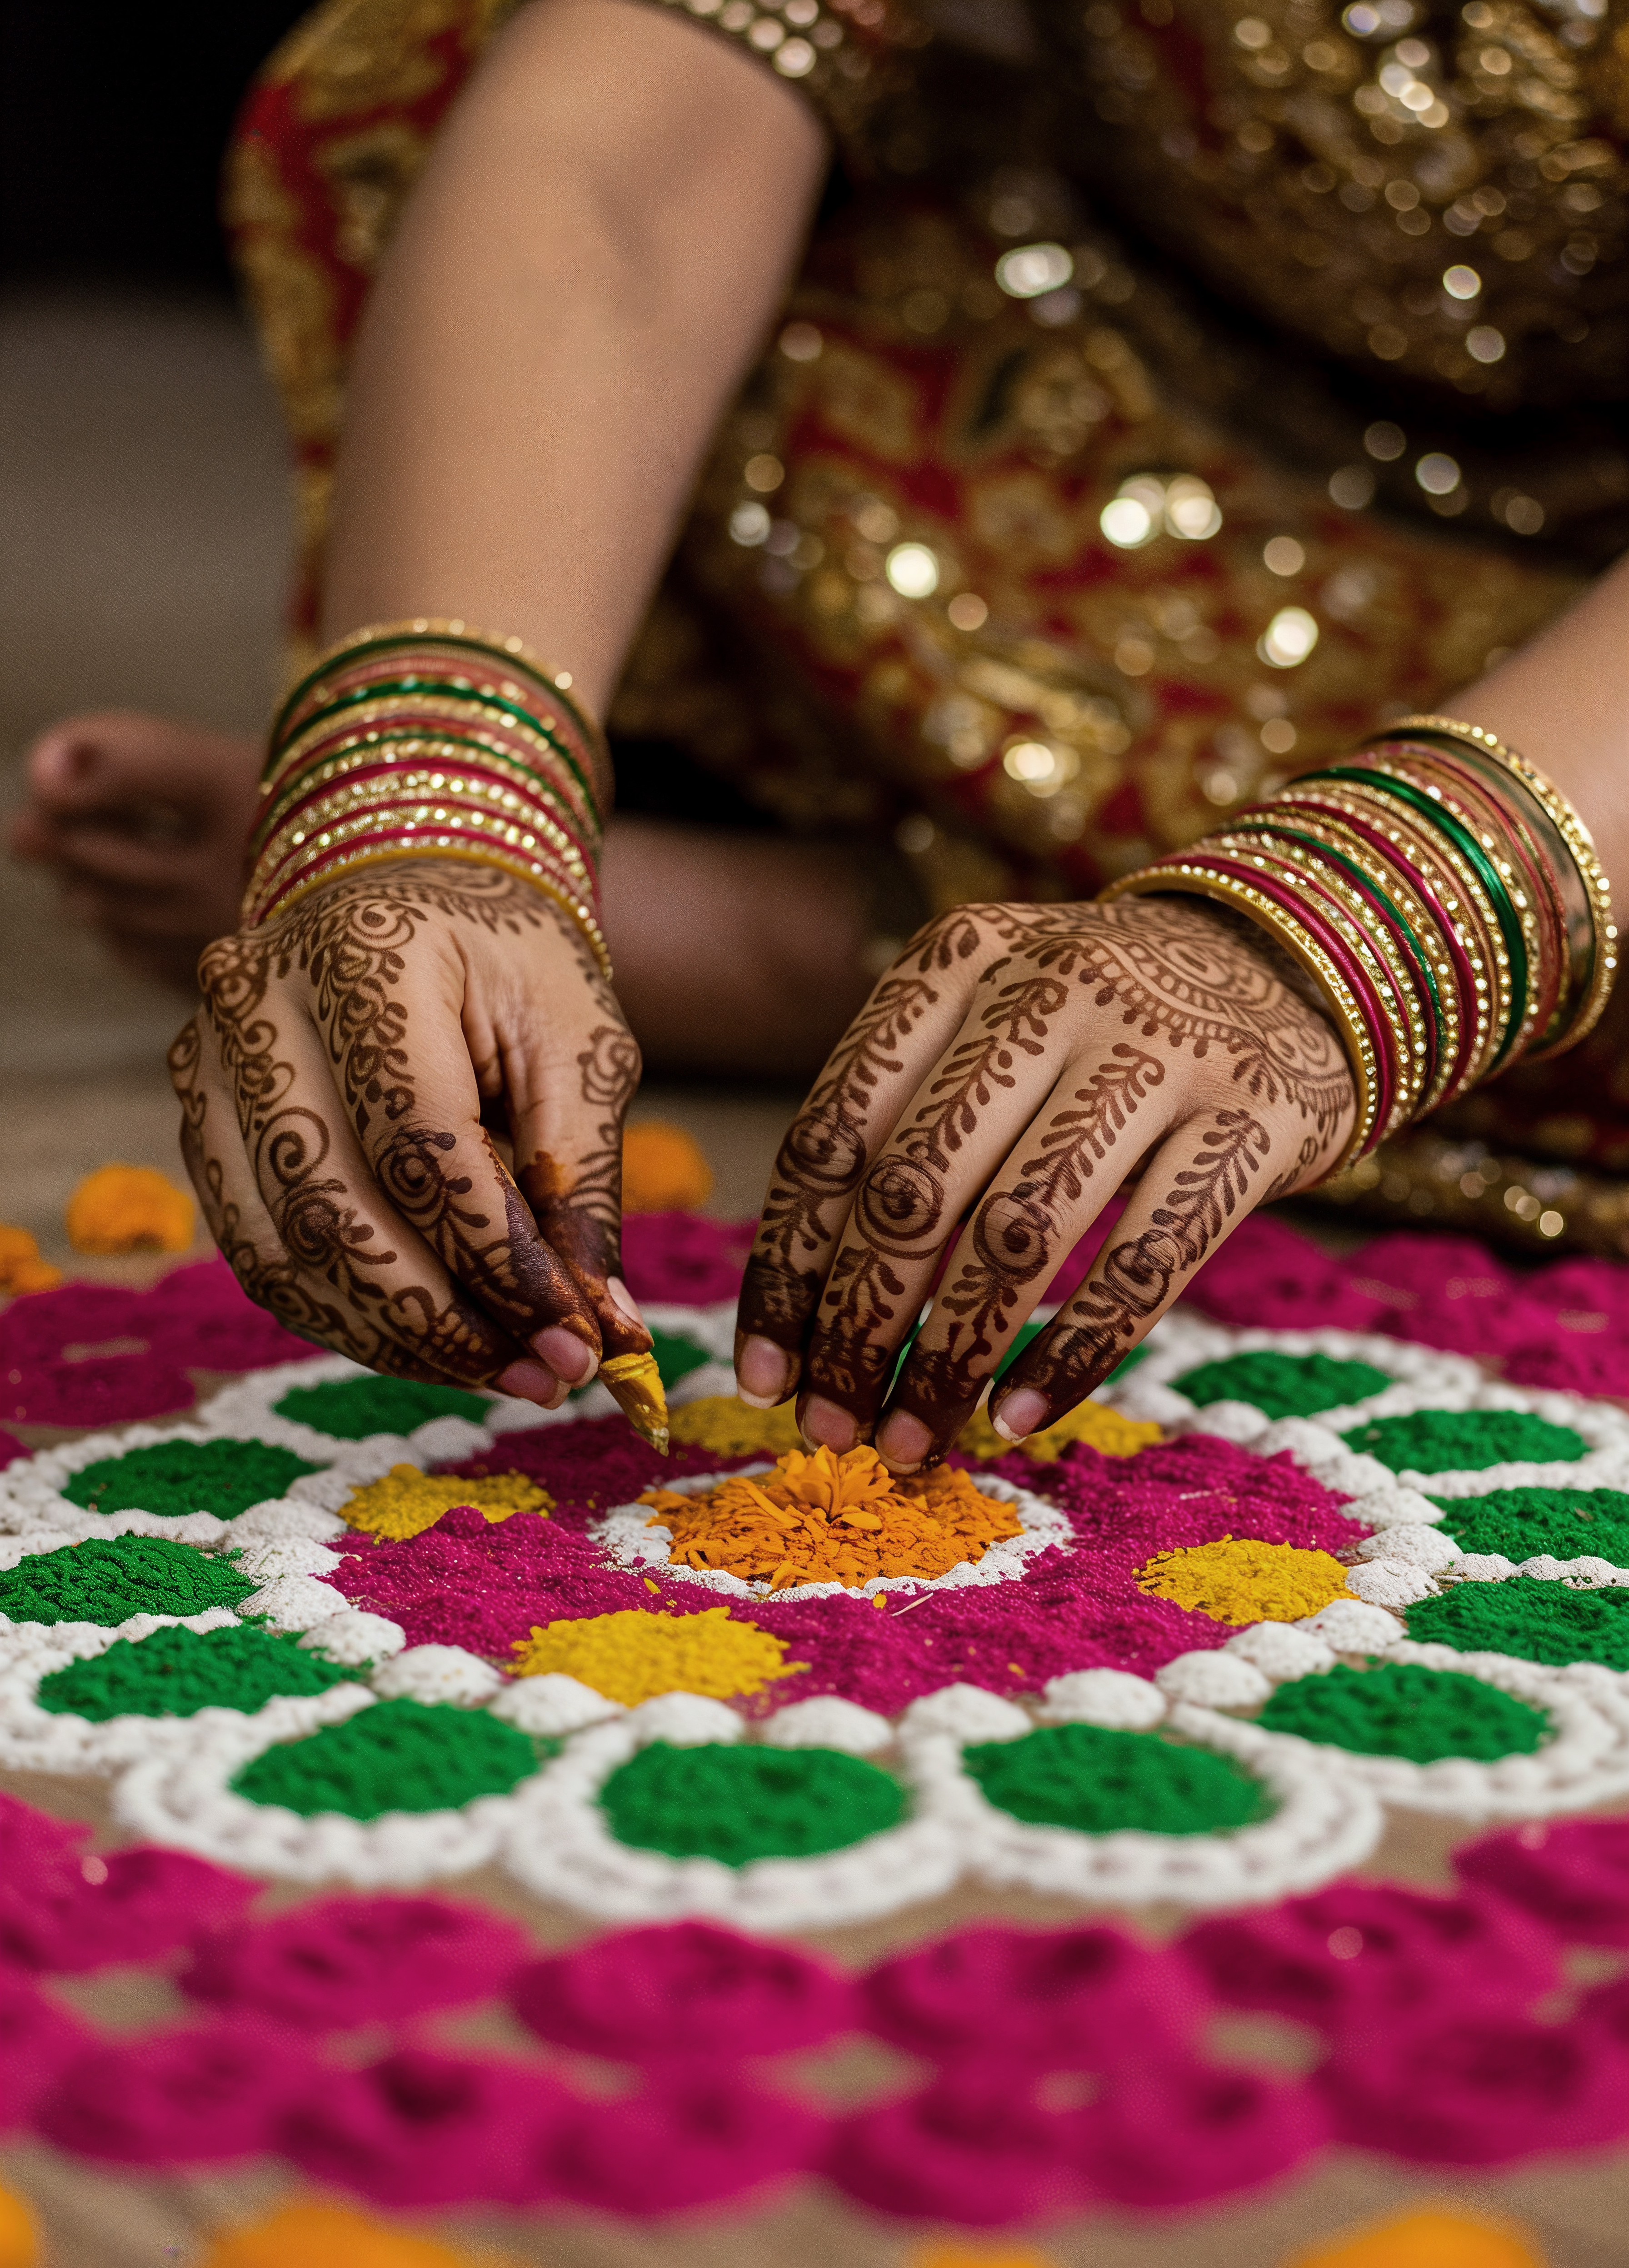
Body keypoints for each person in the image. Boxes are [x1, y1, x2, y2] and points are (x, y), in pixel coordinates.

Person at [13, 0, 1629, 1471]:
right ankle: (890, 957)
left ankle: (819, 945)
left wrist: (1357, 922)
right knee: (467, 117)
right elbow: (654, 115)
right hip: (1165, 404)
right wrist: (422, 774)